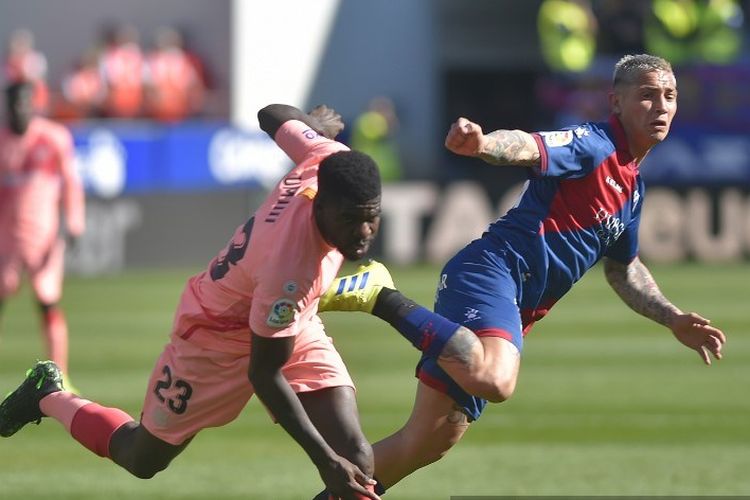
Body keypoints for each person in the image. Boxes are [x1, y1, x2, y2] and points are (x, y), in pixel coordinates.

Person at [316, 53, 726, 496]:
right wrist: (483, 145)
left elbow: (624, 270)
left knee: (427, 442)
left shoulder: (632, 188)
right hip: (493, 272)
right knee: (496, 380)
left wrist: (673, 318)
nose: (661, 106)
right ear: (617, 102)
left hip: (514, 302)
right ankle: (380, 295)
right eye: (647, 95)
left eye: (669, 96)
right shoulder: (595, 143)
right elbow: (530, 145)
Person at [0, 103, 383, 500]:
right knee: (142, 457)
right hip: (214, 334)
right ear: (319, 205)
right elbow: (264, 374)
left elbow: (270, 113)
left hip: (287, 323)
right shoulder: (289, 269)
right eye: (349, 219)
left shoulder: (327, 156)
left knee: (356, 457)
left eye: (372, 217)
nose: (363, 232)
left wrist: (311, 128)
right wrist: (324, 460)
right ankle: (47, 394)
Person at [0, 82, 85, 387]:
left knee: (47, 301)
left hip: (43, 235)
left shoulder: (54, 138)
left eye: (24, 102)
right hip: (6, 239)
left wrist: (74, 222)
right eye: (13, 103)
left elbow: (71, 182)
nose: (18, 109)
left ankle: (59, 376)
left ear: (33, 104)